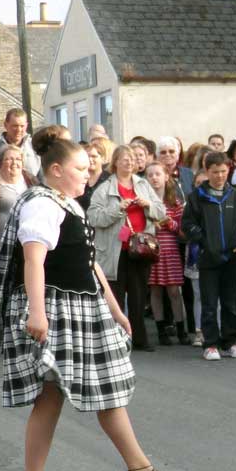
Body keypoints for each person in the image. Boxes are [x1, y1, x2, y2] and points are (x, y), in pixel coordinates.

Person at [0, 129, 177, 471]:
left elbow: (89, 263)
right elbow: (34, 259)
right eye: (80, 168)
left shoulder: (69, 204)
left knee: (108, 390)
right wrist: (37, 312)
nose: (88, 174)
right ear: (56, 170)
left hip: (84, 307)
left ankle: (139, 466)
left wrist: (115, 308)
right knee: (50, 396)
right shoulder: (41, 203)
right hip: (55, 309)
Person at [87, 145, 165, 352]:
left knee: (139, 296)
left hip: (140, 249)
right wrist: (117, 208)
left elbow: (161, 212)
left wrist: (148, 204)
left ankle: (140, 339)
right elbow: (93, 217)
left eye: (131, 159)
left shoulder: (143, 185)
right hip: (115, 251)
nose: (129, 162)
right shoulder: (104, 188)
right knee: (116, 296)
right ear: (115, 163)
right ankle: (115, 340)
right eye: (124, 159)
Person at [183, 151, 236, 361]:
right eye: (215, 172)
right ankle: (211, 344)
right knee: (209, 303)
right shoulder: (197, 196)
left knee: (230, 303)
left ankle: (231, 342)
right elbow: (188, 224)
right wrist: (204, 242)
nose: (220, 176)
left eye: (224, 171)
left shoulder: (235, 195)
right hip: (208, 259)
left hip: (232, 258)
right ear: (207, 171)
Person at [144, 162, 188, 348]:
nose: (154, 178)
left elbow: (182, 230)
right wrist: (152, 227)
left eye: (158, 174)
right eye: (150, 175)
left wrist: (170, 224)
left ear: (166, 177)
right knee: (155, 290)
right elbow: (138, 226)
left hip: (170, 250)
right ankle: (161, 329)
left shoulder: (174, 202)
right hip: (151, 250)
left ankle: (180, 329)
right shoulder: (143, 201)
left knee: (173, 291)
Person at [0, 108, 39, 177]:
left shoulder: (34, 146)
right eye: (15, 126)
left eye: (22, 126)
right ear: (5, 125)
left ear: (26, 125)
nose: (19, 130)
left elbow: (42, 176)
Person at [78, 137, 109, 210]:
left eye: (94, 156)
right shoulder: (79, 177)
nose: (90, 159)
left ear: (102, 158)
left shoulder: (109, 179)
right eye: (88, 156)